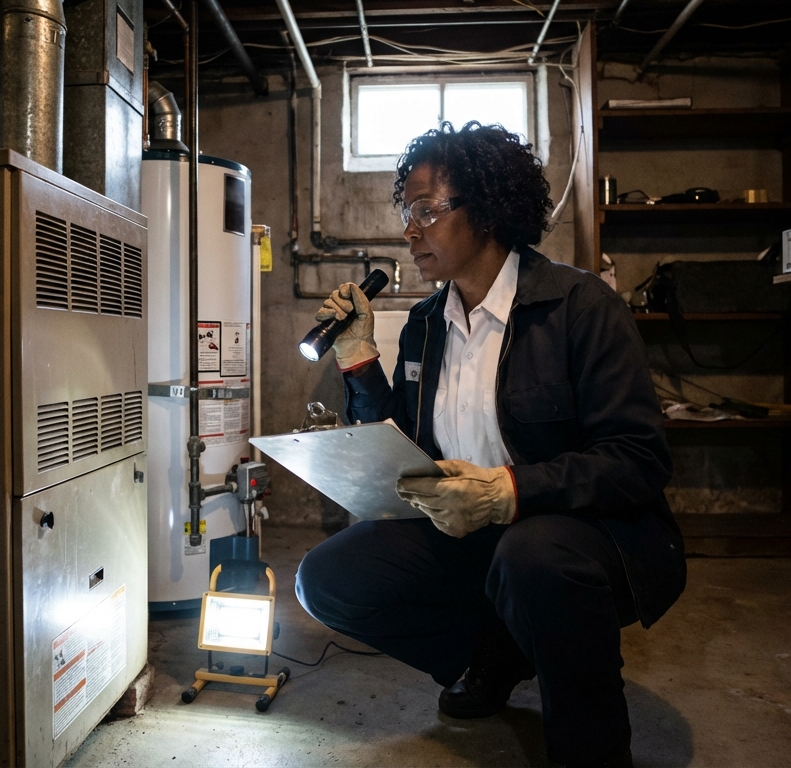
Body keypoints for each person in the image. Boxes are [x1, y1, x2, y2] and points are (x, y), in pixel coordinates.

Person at [294, 122, 686, 768]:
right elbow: (406, 448)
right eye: (406, 214)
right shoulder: (426, 324)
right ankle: (494, 655)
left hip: (579, 537)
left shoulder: (579, 306)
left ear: (486, 209)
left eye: (426, 211)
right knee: (329, 578)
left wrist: (509, 491)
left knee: (533, 558)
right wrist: (361, 360)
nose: (410, 230)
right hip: (469, 536)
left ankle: (590, 743)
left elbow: (637, 459)